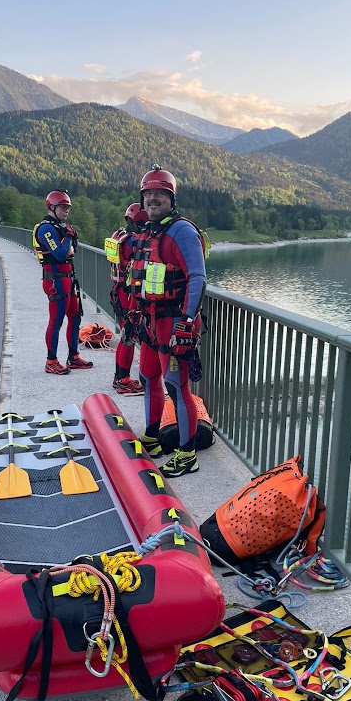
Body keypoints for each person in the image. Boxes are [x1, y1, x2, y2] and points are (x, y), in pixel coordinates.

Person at [129, 166, 207, 477]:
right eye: (148, 194)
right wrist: (133, 315)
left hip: (175, 322)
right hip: (149, 322)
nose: (153, 198)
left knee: (177, 387)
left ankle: (187, 454)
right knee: (148, 377)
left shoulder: (182, 232)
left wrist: (186, 323)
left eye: (160, 193)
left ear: (171, 198)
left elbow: (198, 279)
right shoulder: (148, 232)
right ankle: (152, 437)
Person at [33, 190, 94, 375]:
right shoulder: (46, 228)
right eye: (63, 207)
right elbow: (60, 254)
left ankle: (73, 357)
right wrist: (68, 237)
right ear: (52, 207)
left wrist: (68, 242)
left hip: (67, 279)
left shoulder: (59, 227)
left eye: (68, 207)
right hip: (55, 281)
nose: (66, 210)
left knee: (75, 318)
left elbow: (73, 250)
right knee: (56, 321)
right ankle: (51, 361)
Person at [106, 203, 147, 396]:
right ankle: (123, 380)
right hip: (127, 293)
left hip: (118, 290)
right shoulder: (132, 241)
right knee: (128, 337)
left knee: (126, 334)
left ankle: (118, 378)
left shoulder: (119, 236)